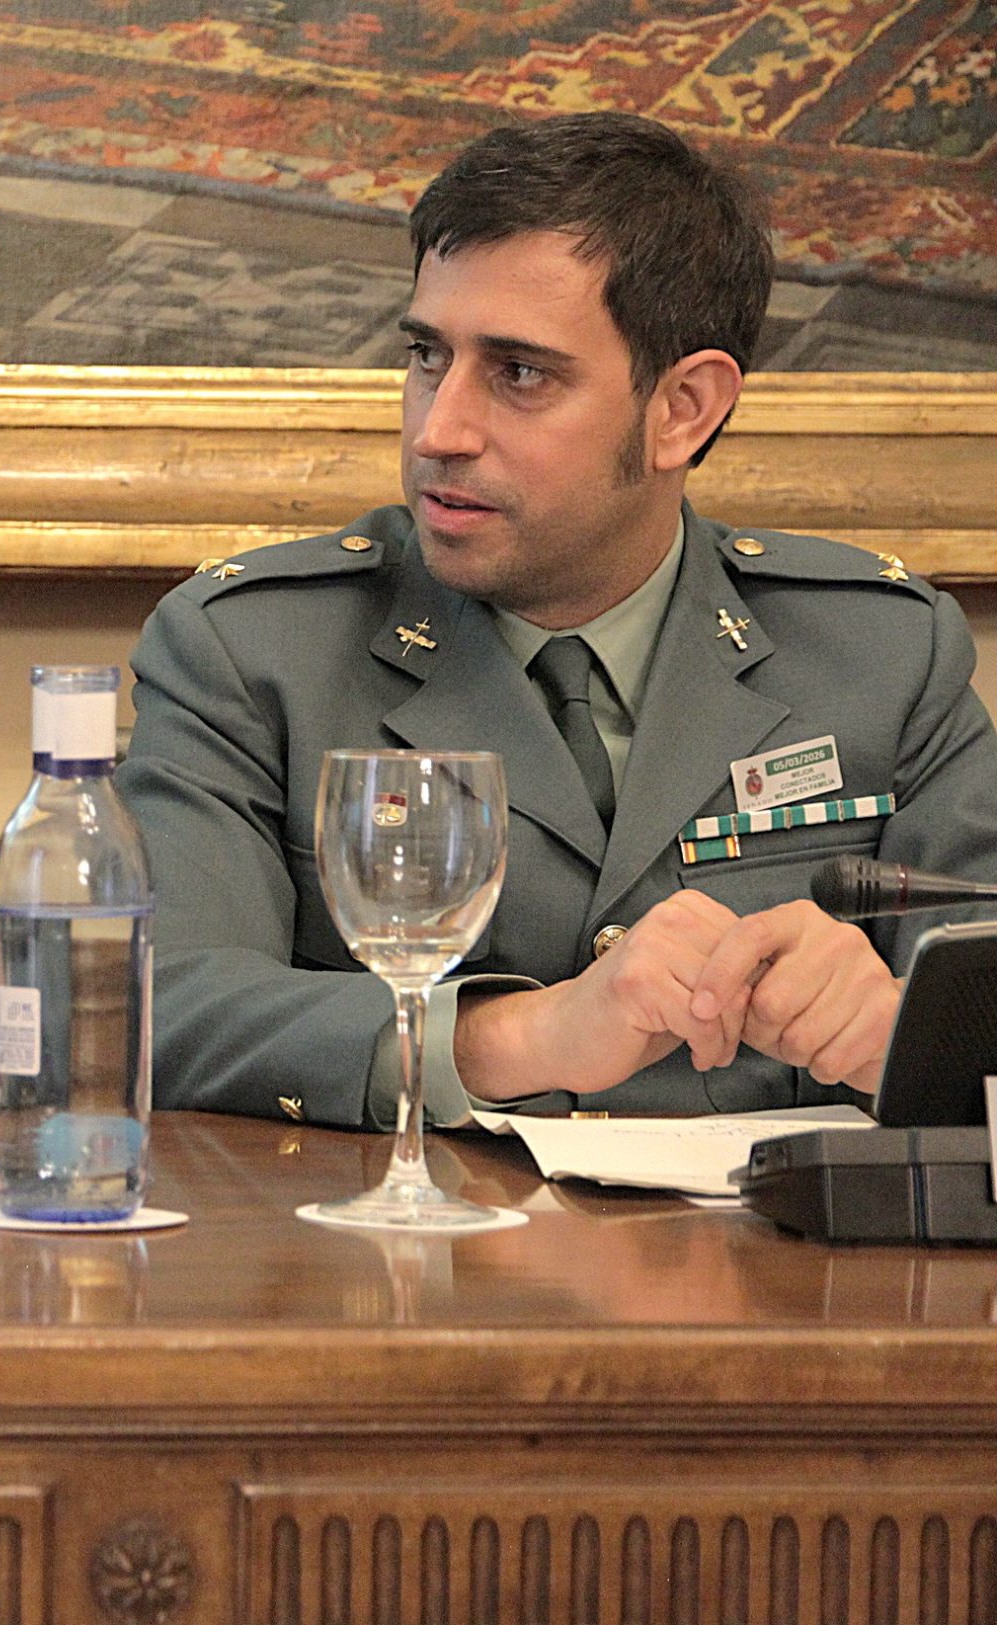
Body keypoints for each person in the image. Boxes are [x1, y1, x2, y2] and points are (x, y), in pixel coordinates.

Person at [119, 112, 997, 1128]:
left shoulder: (880, 652)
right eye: (426, 355)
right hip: (412, 1230)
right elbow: (159, 1002)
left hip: (775, 1232)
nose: (439, 429)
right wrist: (520, 1035)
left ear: (683, 409)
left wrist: (906, 1034)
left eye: (519, 374)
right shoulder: (252, 650)